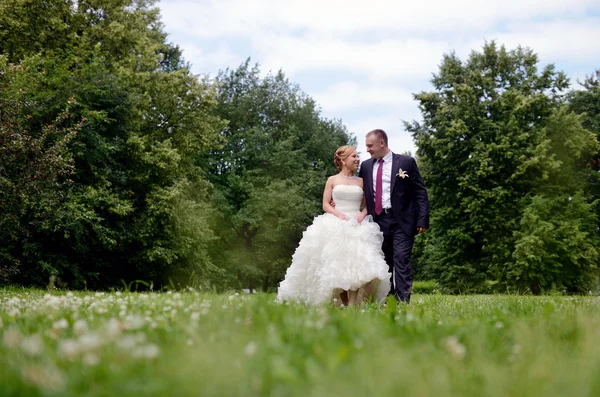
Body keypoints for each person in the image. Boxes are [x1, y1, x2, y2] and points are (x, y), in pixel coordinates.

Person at [277, 146, 390, 306]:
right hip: (336, 222)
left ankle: (352, 304)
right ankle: (343, 302)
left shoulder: (361, 181)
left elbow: (367, 205)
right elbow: (325, 204)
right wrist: (340, 215)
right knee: (339, 265)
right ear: (343, 160)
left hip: (357, 224)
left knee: (357, 264)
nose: (358, 159)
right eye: (354, 156)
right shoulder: (332, 180)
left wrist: (360, 216)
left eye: (358, 156)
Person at [358, 129, 429, 303]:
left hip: (402, 221)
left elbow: (420, 191)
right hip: (378, 221)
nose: (367, 150)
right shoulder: (366, 166)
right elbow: (361, 192)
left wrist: (423, 218)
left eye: (370, 145)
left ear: (381, 143)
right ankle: (387, 299)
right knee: (384, 262)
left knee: (401, 259)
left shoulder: (406, 162)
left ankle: (403, 301)